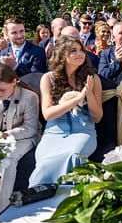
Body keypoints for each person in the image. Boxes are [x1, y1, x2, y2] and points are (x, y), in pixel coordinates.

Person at [28, 35, 103, 186]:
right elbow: (48, 114)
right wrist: (76, 99)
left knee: (73, 155)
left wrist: (88, 93)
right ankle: (41, 196)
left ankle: (68, 197)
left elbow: (97, 117)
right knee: (44, 160)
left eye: (81, 50)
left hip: (83, 130)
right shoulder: (48, 78)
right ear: (62, 55)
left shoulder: (92, 78)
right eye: (73, 51)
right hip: (54, 131)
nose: (80, 54)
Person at [0, 64, 40, 216]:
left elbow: (30, 128)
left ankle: (0, 213)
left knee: (7, 161)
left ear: (14, 82)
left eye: (2, 90)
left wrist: (8, 134)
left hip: (24, 137)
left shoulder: (29, 97)